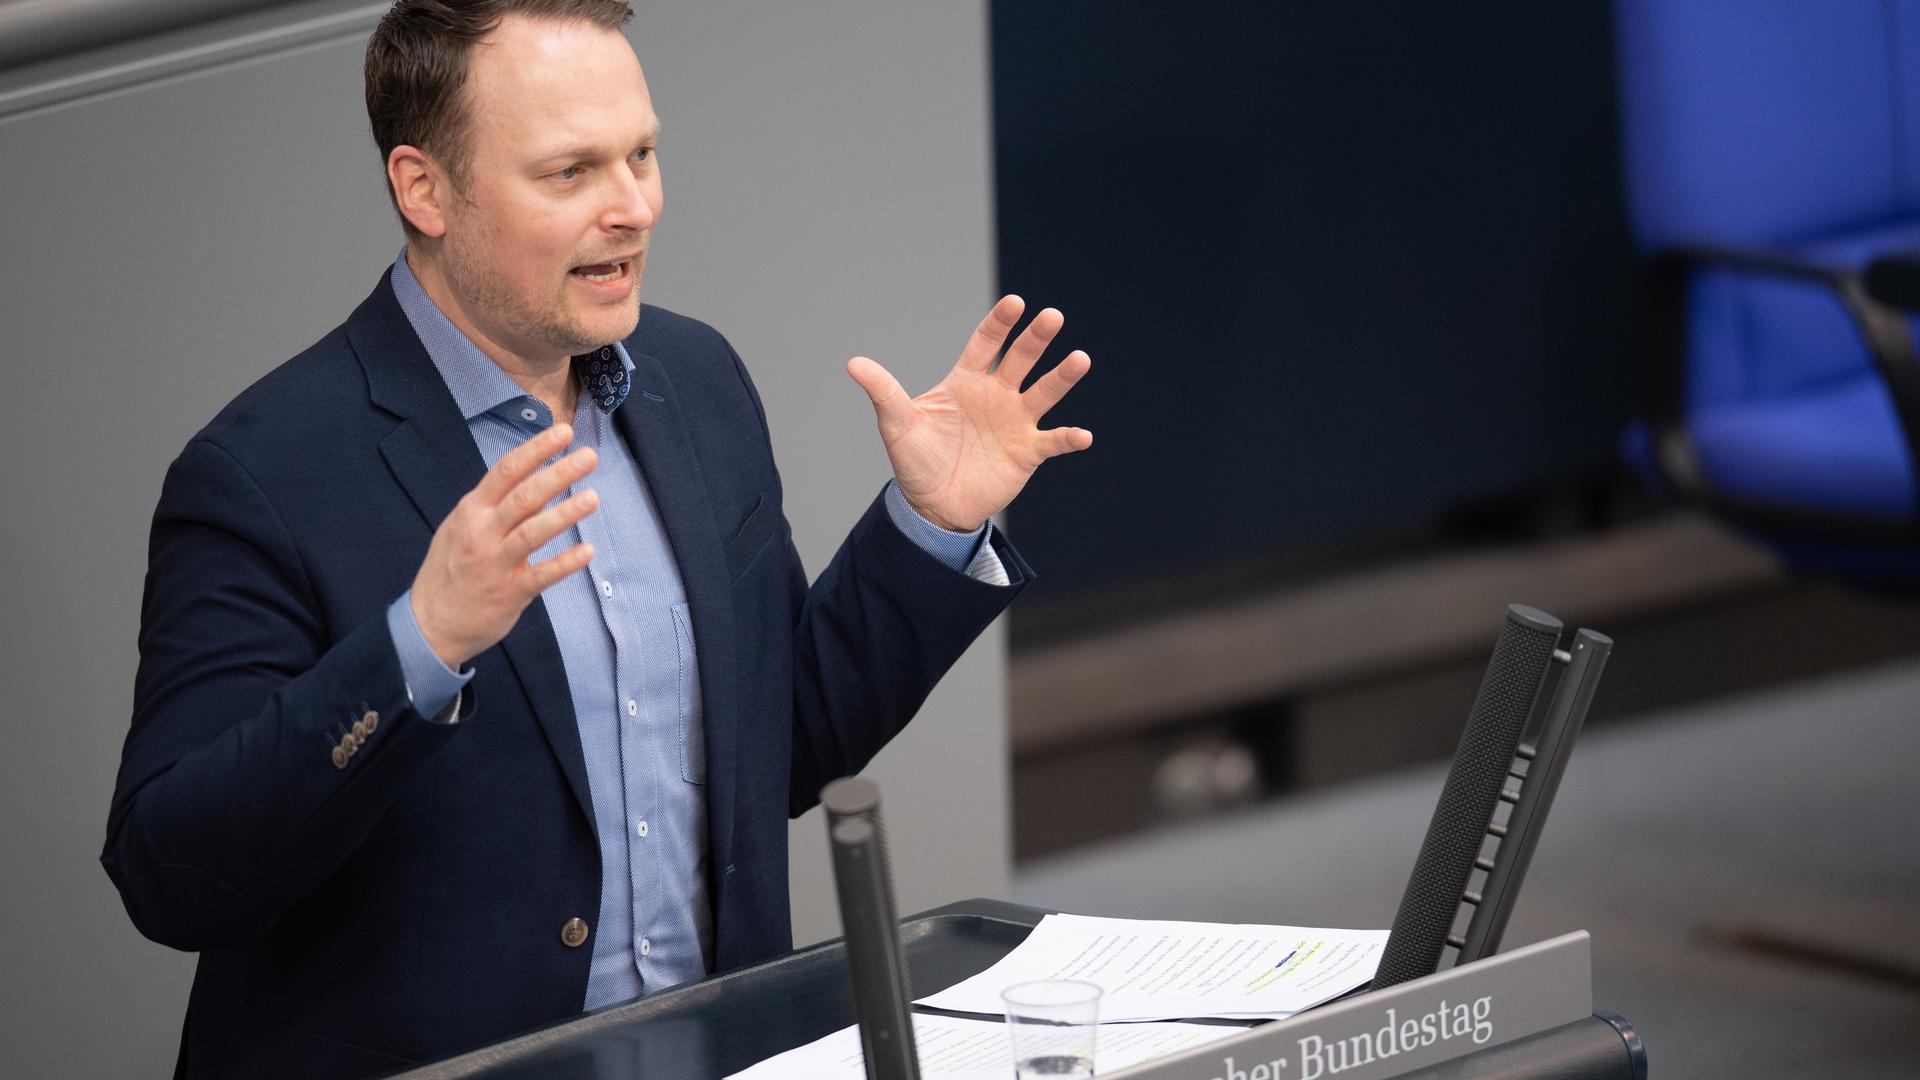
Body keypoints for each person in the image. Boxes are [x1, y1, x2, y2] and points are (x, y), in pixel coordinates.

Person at [99, 1, 1092, 1075]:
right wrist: (420, 643)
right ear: (424, 189)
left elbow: (776, 751)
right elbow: (172, 875)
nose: (634, 208)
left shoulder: (695, 381)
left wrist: (932, 525)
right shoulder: (265, 472)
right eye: (570, 172)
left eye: (642, 155)